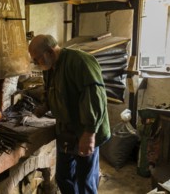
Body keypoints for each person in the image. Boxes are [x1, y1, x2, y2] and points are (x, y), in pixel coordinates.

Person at [28, 34, 111, 194]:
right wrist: (45, 106)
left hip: (84, 131)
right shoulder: (50, 67)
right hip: (66, 131)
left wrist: (89, 133)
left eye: (37, 59)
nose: (37, 63)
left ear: (50, 52)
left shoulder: (80, 61)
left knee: (85, 182)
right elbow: (52, 91)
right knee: (63, 177)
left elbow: (95, 97)